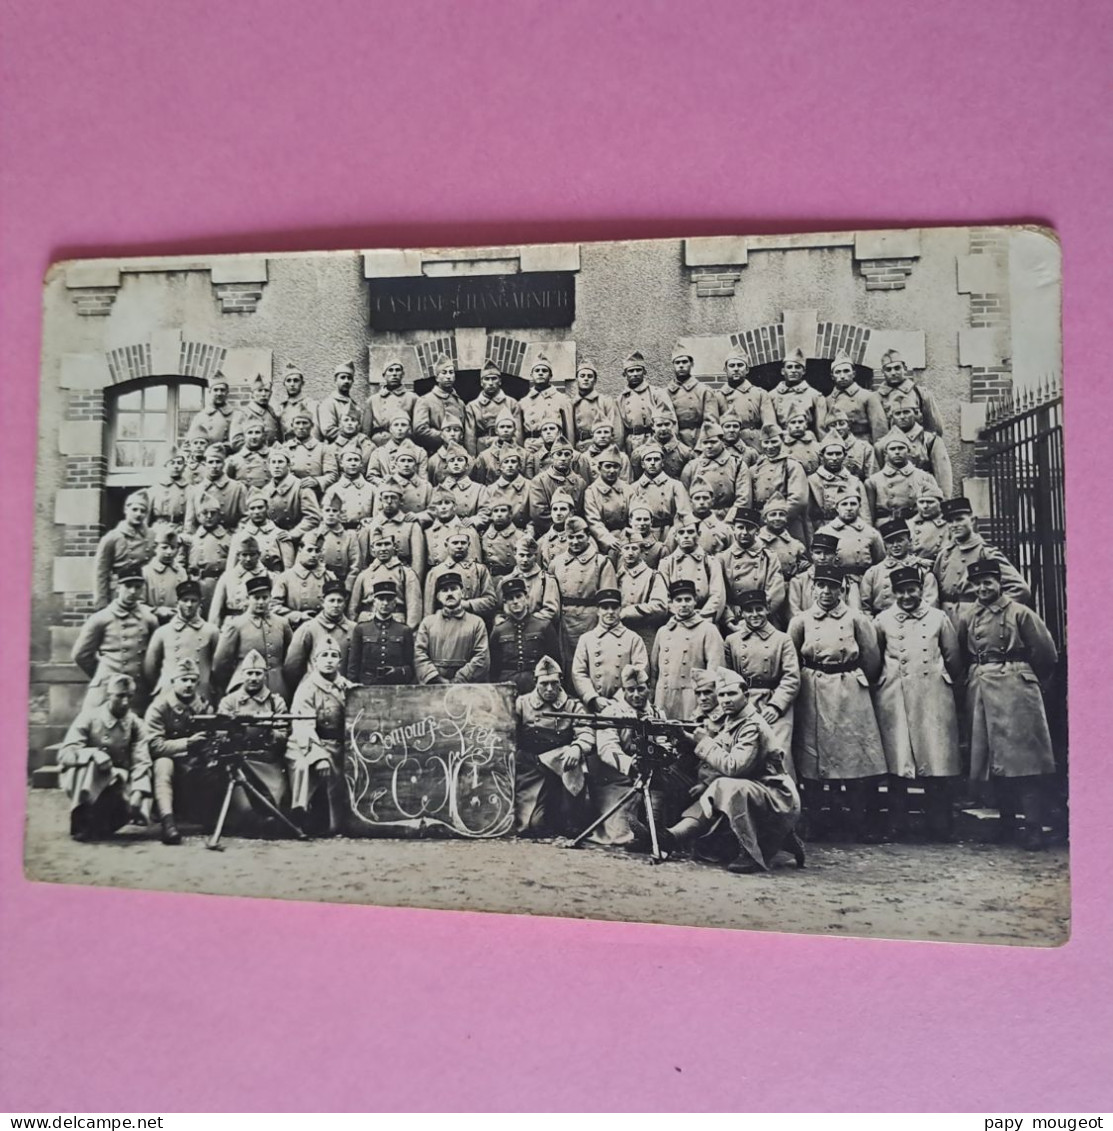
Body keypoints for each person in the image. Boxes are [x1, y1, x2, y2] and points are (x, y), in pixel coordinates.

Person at [645, 666, 804, 874]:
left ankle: (750, 854)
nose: (726, 699)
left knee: (727, 785)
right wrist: (687, 738)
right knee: (721, 785)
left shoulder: (751, 725)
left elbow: (734, 767)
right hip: (755, 789)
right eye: (721, 695)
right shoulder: (734, 720)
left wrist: (704, 743)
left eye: (731, 694)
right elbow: (719, 748)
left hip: (775, 794)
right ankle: (670, 837)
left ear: (745, 695)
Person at [957, 558, 1059, 850]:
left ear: (999, 582)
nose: (983, 588)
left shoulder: (1020, 613)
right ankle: (1006, 823)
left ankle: (1033, 826)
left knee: (1025, 761)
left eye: (988, 581)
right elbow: (963, 654)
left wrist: (1023, 678)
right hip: (982, 688)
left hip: (1016, 687)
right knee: (994, 762)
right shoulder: (969, 616)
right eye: (977, 583)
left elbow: (1046, 654)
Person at [787, 564, 887, 842]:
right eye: (821, 585)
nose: (826, 592)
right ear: (813, 587)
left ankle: (859, 823)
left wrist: (853, 680)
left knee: (854, 757)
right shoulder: (801, 621)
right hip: (814, 691)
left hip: (850, 690)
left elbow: (872, 658)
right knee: (814, 759)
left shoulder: (856, 619)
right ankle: (819, 823)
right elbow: (792, 658)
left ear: (842, 588)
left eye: (832, 586)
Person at [873, 565, 963, 841]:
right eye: (900, 591)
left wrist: (942, 679)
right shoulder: (883, 620)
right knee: (898, 762)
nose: (906, 596)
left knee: (936, 761)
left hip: (932, 695)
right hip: (895, 695)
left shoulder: (938, 618)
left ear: (921, 590)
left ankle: (940, 825)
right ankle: (896, 824)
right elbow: (873, 658)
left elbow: (954, 657)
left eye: (911, 590)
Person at [58, 673, 151, 841]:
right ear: (109, 695)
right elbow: (65, 754)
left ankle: (102, 821)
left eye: (129, 696)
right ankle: (82, 816)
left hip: (118, 783)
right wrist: (94, 753)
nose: (125, 702)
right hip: (87, 782)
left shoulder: (135, 724)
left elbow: (141, 760)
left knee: (111, 820)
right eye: (120, 696)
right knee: (91, 765)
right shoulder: (90, 717)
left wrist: (139, 791)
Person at [587, 663, 672, 845]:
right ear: (623, 690)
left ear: (648, 688)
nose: (636, 695)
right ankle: (645, 836)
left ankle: (655, 832)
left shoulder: (657, 713)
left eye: (641, 689)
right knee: (620, 832)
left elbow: (664, 742)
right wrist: (630, 764)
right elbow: (607, 749)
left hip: (652, 778)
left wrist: (662, 752)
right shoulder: (612, 712)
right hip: (618, 780)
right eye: (630, 690)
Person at [513, 655, 594, 836]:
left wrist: (578, 747)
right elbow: (508, 733)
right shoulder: (522, 704)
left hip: (561, 768)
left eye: (553, 683)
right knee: (530, 825)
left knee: (569, 825)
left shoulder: (573, 706)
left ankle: (572, 819)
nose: (549, 689)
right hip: (531, 768)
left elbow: (586, 731)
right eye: (544, 684)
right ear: (535, 682)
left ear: (560, 682)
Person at [214, 648, 292, 833]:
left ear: (265, 676)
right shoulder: (229, 702)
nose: (254, 678)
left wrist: (269, 731)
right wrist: (235, 732)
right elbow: (219, 734)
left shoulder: (275, 702)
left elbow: (283, 731)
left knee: (277, 800)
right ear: (242, 675)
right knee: (243, 807)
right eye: (249, 673)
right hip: (239, 761)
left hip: (267, 760)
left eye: (258, 673)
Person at [723, 589, 801, 766]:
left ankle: (782, 792)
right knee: (745, 754)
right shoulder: (732, 641)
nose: (754, 614)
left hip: (774, 703)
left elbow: (792, 677)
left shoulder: (782, 639)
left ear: (767, 609)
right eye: (749, 610)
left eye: (759, 609)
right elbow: (727, 678)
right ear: (741, 613)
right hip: (744, 703)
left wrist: (776, 706)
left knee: (778, 754)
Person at [72, 565, 159, 713]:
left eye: (137, 587)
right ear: (118, 587)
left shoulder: (149, 619)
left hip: (137, 693)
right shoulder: (101, 618)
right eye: (128, 586)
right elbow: (81, 655)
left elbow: (155, 656)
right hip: (107, 691)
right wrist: (105, 673)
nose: (133, 591)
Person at [144, 658, 213, 845]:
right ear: (173, 682)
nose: (189, 685)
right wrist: (187, 743)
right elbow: (154, 746)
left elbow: (210, 738)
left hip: (194, 765)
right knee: (163, 765)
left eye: (192, 680)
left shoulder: (204, 707)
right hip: (169, 760)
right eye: (184, 680)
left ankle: (209, 817)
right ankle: (168, 822)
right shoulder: (159, 707)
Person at [288, 640, 353, 835]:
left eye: (333, 656)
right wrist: (318, 757)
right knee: (304, 767)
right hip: (308, 742)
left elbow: (360, 705)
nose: (329, 660)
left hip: (338, 744)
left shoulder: (346, 687)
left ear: (340, 661)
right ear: (315, 661)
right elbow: (302, 725)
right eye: (324, 656)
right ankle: (299, 817)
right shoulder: (307, 688)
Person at [933, 496, 1031, 625]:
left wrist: (992, 611)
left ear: (973, 521)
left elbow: (1019, 589)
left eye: (959, 519)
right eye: (950, 521)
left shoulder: (985, 553)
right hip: (945, 620)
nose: (954, 525)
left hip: (975, 620)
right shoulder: (945, 554)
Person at [650, 580, 726, 720]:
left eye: (687, 599)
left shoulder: (708, 630)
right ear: (671, 604)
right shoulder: (663, 631)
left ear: (695, 601)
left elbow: (715, 671)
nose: (683, 604)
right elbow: (654, 672)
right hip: (663, 699)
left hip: (692, 700)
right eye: (678, 600)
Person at [213, 574, 293, 700]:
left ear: (270, 598)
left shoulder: (282, 623)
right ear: (248, 598)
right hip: (245, 687)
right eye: (256, 598)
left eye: (265, 597)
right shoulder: (237, 625)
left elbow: (291, 657)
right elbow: (221, 663)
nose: (261, 602)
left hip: (277, 687)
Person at [571, 588, 650, 710]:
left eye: (614, 607)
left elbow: (640, 671)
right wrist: (593, 698)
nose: (610, 612)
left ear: (620, 609)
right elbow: (578, 673)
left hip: (625, 706)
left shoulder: (633, 639)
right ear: (598, 611)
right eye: (605, 608)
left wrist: (619, 700)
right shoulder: (586, 639)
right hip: (595, 706)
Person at [143, 579, 219, 702]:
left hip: (200, 693)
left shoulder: (211, 631)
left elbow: (218, 665)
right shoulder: (163, 632)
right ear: (177, 602)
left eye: (193, 601)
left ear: (200, 603)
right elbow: (150, 668)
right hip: (169, 692)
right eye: (185, 600)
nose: (189, 605)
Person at [549, 518, 617, 654]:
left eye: (580, 537)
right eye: (571, 537)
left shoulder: (601, 562)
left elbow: (609, 600)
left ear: (588, 537)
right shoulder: (556, 563)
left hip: (591, 621)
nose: (575, 542)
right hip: (565, 622)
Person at [717, 506, 787, 629]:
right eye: (740, 528)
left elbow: (776, 590)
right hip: (734, 620)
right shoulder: (722, 558)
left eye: (749, 528)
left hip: (764, 617)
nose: (744, 532)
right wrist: (729, 620)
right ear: (733, 529)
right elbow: (719, 593)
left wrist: (758, 616)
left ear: (757, 531)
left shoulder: (769, 557)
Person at [413, 573, 491, 684]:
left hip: (466, 686)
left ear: (462, 593)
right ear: (438, 596)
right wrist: (436, 679)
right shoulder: (428, 623)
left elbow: (482, 657)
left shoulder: (476, 623)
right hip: (434, 686)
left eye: (453, 589)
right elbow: (419, 654)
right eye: (444, 590)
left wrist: (460, 679)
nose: (449, 593)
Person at [489, 577, 562, 695]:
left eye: (518, 596)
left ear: (527, 598)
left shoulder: (543, 626)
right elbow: (494, 667)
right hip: (507, 684)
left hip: (536, 685)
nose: (515, 601)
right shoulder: (499, 630)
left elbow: (555, 661)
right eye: (510, 598)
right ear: (505, 603)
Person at [252, 447, 322, 567]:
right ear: (268, 466)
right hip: (274, 542)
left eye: (280, 462)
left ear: (288, 465)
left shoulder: (301, 487)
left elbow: (313, 517)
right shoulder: (265, 491)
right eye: (273, 462)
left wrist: (293, 534)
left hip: (298, 541)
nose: (277, 466)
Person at [874, 395, 954, 497]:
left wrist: (943, 500)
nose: (902, 417)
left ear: (915, 413)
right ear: (892, 417)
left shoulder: (930, 440)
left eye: (907, 412)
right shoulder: (881, 444)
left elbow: (943, 476)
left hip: (923, 497)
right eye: (898, 413)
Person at [283, 579, 355, 689]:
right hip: (316, 690)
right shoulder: (308, 628)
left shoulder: (353, 629)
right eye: (331, 600)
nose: (336, 605)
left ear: (345, 603)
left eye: (339, 601)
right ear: (322, 602)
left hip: (345, 688)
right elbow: (292, 667)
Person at [860, 519, 941, 614]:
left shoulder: (922, 570)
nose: (895, 545)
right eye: (890, 542)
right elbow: (864, 607)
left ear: (910, 541)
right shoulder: (873, 572)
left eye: (900, 540)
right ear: (885, 544)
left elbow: (930, 603)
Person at [657, 513, 727, 622]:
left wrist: (702, 617)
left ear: (698, 534)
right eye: (681, 532)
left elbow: (717, 595)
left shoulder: (711, 562)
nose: (686, 536)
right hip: (676, 619)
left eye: (690, 532)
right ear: (675, 536)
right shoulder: (666, 564)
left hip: (705, 619)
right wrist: (679, 616)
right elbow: (663, 596)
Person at [348, 529, 423, 628]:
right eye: (378, 545)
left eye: (387, 544)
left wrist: (409, 631)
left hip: (396, 623)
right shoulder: (364, 575)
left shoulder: (406, 573)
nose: (383, 549)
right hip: (367, 623)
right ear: (372, 549)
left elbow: (414, 607)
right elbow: (353, 608)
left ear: (395, 547)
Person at [345, 581, 415, 685]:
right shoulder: (361, 629)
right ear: (374, 602)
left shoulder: (404, 631)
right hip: (367, 685)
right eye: (381, 599)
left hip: (395, 685)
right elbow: (353, 665)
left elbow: (410, 666)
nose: (385, 603)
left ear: (395, 603)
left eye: (389, 599)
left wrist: (398, 672)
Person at [93, 491, 155, 608]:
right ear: (126, 510)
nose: (138, 514)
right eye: (135, 509)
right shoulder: (112, 537)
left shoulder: (151, 535)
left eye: (143, 511)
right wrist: (101, 601)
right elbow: (101, 571)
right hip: (121, 590)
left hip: (144, 590)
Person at [749, 425, 809, 544]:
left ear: (782, 441)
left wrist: (777, 518)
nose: (770, 446)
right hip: (762, 524)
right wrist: (761, 520)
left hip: (787, 522)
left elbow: (798, 500)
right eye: (766, 442)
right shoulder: (754, 469)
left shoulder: (792, 465)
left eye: (774, 442)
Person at [424, 530, 498, 621]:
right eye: (455, 543)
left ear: (469, 545)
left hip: (474, 622)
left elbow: (491, 601)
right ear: (446, 545)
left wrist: (468, 604)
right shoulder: (436, 572)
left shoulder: (479, 569)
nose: (459, 546)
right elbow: (429, 609)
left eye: (463, 543)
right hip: (446, 623)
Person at [680, 420, 752, 516]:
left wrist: (729, 520)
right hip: (700, 519)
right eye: (705, 443)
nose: (709, 446)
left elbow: (743, 499)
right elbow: (685, 500)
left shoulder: (737, 465)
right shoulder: (691, 467)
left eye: (713, 442)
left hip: (729, 519)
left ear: (722, 441)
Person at [615, 530, 669, 653]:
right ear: (621, 551)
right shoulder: (615, 577)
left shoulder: (653, 576)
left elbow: (660, 606)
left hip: (645, 634)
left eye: (634, 548)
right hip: (620, 635)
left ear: (642, 551)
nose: (630, 553)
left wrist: (631, 611)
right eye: (626, 548)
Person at [865, 435, 941, 522]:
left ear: (908, 451)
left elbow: (936, 508)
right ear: (886, 453)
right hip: (887, 526)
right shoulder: (873, 481)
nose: (897, 452)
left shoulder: (925, 477)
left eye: (901, 448)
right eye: (892, 449)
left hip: (917, 523)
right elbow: (869, 514)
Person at [787, 531, 862, 618]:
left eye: (827, 553)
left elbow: (856, 613)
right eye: (818, 553)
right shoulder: (798, 582)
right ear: (811, 554)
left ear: (835, 554)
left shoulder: (848, 582)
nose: (822, 557)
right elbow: (794, 614)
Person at [360, 482, 426, 580]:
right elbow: (363, 560)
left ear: (401, 501)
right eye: (386, 498)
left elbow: (418, 561)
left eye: (393, 497)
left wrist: (413, 581)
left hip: (402, 576)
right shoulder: (369, 525)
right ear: (380, 500)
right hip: (376, 576)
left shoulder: (411, 525)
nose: (389, 501)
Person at [617, 350, 675, 455]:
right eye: (631, 371)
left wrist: (669, 446)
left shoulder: (657, 393)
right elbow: (619, 430)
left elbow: (671, 422)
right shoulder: (620, 399)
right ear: (625, 374)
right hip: (631, 444)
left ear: (644, 372)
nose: (635, 374)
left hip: (654, 441)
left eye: (638, 370)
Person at [815, 492, 885, 580]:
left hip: (862, 581)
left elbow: (880, 563)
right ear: (837, 507)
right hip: (834, 581)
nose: (849, 508)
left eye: (853, 504)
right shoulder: (824, 532)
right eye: (844, 504)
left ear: (859, 506)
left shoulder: (871, 533)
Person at [876, 349, 944, 436]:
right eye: (888, 369)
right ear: (883, 372)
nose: (893, 373)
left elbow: (934, 428)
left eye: (897, 368)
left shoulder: (921, 393)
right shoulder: (876, 398)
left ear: (905, 369)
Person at [628, 442, 691, 537]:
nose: (652, 463)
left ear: (662, 463)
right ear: (642, 464)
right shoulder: (634, 488)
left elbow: (685, 514)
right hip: (641, 534)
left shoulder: (675, 485)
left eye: (656, 459)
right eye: (648, 460)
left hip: (668, 532)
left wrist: (676, 532)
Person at [207, 534, 273, 625]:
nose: (248, 559)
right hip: (233, 623)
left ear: (259, 555)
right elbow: (216, 609)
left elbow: (273, 607)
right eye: (244, 555)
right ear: (238, 555)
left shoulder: (268, 576)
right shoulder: (227, 577)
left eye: (252, 554)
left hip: (259, 623)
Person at [825, 350, 888, 443]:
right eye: (837, 372)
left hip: (862, 446)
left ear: (854, 374)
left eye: (846, 371)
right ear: (832, 376)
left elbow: (879, 430)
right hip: (837, 449)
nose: (842, 376)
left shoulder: (868, 396)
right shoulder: (828, 400)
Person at [808, 435, 871, 527]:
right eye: (830, 454)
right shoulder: (812, 481)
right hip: (823, 529)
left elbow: (865, 514)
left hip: (850, 529)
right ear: (822, 456)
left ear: (845, 455)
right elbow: (807, 516)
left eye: (838, 454)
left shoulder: (854, 481)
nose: (834, 458)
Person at [272, 534, 335, 627]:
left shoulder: (329, 576)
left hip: (323, 626)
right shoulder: (285, 577)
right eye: (309, 550)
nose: (313, 555)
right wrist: (298, 616)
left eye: (317, 551)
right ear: (300, 549)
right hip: (295, 627)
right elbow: (273, 607)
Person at [497, 535, 561, 625]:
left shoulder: (546, 580)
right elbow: (498, 611)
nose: (525, 560)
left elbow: (552, 611)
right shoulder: (506, 580)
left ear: (535, 556)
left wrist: (528, 621)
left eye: (529, 555)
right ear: (515, 554)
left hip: (537, 630)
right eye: (521, 555)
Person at [527, 438, 587, 533]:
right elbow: (539, 514)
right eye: (559, 454)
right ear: (551, 457)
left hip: (575, 533)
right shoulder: (539, 481)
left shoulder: (580, 483)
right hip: (549, 532)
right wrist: (559, 530)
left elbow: (583, 512)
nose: (563, 458)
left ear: (572, 457)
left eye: (567, 454)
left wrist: (574, 529)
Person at [184, 444, 247, 534]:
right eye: (211, 462)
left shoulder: (238, 488)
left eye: (218, 462)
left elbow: (245, 517)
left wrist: (237, 534)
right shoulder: (195, 490)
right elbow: (190, 523)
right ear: (205, 464)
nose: (214, 466)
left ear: (224, 464)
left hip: (230, 537)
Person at [717, 349, 775, 447]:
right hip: (727, 446)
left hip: (754, 444)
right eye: (732, 366)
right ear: (725, 370)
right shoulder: (718, 396)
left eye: (740, 365)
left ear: (747, 370)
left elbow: (769, 426)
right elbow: (712, 428)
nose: (736, 369)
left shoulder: (760, 394)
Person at [666, 344, 720, 448]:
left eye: (685, 362)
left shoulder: (704, 391)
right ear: (673, 365)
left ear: (692, 364)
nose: (681, 365)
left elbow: (711, 422)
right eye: (677, 362)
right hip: (675, 444)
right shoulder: (665, 393)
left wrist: (700, 447)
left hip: (698, 441)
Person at [414, 355, 470, 453]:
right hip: (435, 452)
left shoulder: (459, 403)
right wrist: (444, 436)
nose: (448, 376)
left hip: (457, 453)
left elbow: (465, 431)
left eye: (451, 372)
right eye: (443, 373)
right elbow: (420, 429)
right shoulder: (425, 400)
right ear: (437, 378)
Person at [466, 360, 524, 455]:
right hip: (483, 448)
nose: (491, 383)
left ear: (500, 381)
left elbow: (518, 433)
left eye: (494, 379)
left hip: (507, 448)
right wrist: (471, 458)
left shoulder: (511, 403)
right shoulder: (472, 406)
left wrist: (518, 453)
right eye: (487, 379)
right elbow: (470, 437)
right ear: (481, 383)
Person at [520, 353, 574, 451]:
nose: (540, 373)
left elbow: (569, 432)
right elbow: (519, 433)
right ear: (531, 375)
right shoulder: (524, 403)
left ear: (550, 375)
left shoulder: (562, 400)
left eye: (544, 371)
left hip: (555, 448)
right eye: (537, 370)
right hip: (530, 448)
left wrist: (569, 450)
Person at [308, 493, 361, 591]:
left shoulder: (349, 536)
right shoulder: (313, 535)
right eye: (327, 510)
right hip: (318, 581)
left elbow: (355, 565)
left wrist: (347, 587)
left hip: (342, 581)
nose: (331, 513)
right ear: (321, 512)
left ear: (340, 514)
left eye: (335, 511)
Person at [583, 448, 632, 554]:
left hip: (625, 535)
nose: (612, 470)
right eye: (608, 466)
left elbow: (635, 513)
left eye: (615, 466)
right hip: (601, 539)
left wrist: (627, 534)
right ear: (600, 468)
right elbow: (593, 521)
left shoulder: (628, 489)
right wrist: (608, 539)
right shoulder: (591, 492)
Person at [769, 347, 826, 435]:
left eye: (798, 367)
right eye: (789, 367)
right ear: (783, 371)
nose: (793, 370)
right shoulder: (771, 396)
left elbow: (820, 429)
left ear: (803, 371)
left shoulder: (815, 395)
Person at [361, 357, 417, 446]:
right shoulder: (373, 400)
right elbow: (365, 431)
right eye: (390, 370)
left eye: (397, 370)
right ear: (384, 375)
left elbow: (417, 428)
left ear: (403, 374)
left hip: (404, 443)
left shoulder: (412, 398)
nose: (394, 373)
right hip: (379, 443)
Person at [667, 479, 731, 555]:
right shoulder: (678, 529)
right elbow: (668, 555)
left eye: (705, 498)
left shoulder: (724, 529)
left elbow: (731, 559)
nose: (701, 502)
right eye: (697, 498)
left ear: (712, 501)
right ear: (691, 502)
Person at [571, 361, 624, 448]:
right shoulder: (571, 403)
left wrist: (613, 452)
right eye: (582, 376)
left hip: (602, 447)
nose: (586, 379)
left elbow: (617, 432)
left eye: (590, 376)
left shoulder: (606, 401)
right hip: (578, 449)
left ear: (595, 380)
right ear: (577, 380)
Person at [757, 497, 809, 581]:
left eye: (781, 514)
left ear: (786, 519)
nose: (777, 518)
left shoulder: (796, 545)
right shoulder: (756, 543)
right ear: (765, 519)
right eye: (773, 514)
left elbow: (803, 570)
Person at [231, 494, 286, 574]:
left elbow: (288, 570)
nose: (256, 512)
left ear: (267, 508)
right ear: (248, 511)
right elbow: (231, 571)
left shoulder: (279, 534)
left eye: (260, 507)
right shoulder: (238, 537)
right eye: (252, 508)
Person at [478, 447, 531, 529]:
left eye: (513, 462)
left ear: (519, 466)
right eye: (506, 462)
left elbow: (536, 513)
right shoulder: (491, 489)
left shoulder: (530, 486)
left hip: (523, 531)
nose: (510, 465)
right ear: (500, 467)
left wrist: (531, 528)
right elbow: (484, 513)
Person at [631, 412, 692, 482]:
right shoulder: (639, 453)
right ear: (652, 426)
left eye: (667, 424)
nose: (663, 428)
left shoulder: (685, 452)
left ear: (674, 425)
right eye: (659, 425)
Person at [142, 528, 187, 623]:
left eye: (173, 548)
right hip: (151, 621)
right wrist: (156, 611)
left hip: (176, 621)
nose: (169, 552)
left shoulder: (181, 572)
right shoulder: (146, 572)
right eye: (164, 547)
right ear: (155, 547)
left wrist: (179, 611)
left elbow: (187, 599)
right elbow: (138, 604)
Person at [229, 372, 281, 451]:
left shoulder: (271, 412)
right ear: (252, 394)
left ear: (270, 394)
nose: (263, 394)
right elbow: (236, 442)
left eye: (266, 391)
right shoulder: (242, 413)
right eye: (259, 390)